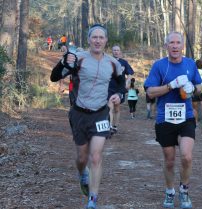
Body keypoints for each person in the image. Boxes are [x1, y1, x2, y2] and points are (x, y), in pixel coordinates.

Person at [50, 24, 123, 209]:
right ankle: (82, 173)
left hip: (100, 114)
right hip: (79, 114)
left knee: (96, 156)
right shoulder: (78, 59)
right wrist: (63, 61)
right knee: (82, 158)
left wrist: (119, 95)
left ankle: (93, 199)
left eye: (101, 37)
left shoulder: (113, 63)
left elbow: (121, 82)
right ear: (89, 40)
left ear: (106, 41)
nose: (98, 40)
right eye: (94, 37)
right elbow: (54, 76)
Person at [144, 31, 202, 209]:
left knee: (186, 156)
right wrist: (171, 85)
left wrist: (193, 87)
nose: (175, 46)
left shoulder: (190, 64)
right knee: (169, 160)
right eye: (172, 43)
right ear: (166, 46)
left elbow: (200, 87)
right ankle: (170, 192)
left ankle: (184, 191)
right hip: (165, 118)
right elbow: (150, 92)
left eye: (178, 43)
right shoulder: (159, 66)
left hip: (186, 117)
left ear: (182, 45)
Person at [108, 45, 134, 135]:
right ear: (112, 51)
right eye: (114, 50)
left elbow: (130, 73)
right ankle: (110, 127)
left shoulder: (124, 62)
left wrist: (127, 81)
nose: (116, 52)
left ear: (120, 52)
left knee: (117, 108)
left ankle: (115, 126)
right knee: (110, 106)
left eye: (117, 50)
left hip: (120, 89)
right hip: (109, 88)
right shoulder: (108, 61)